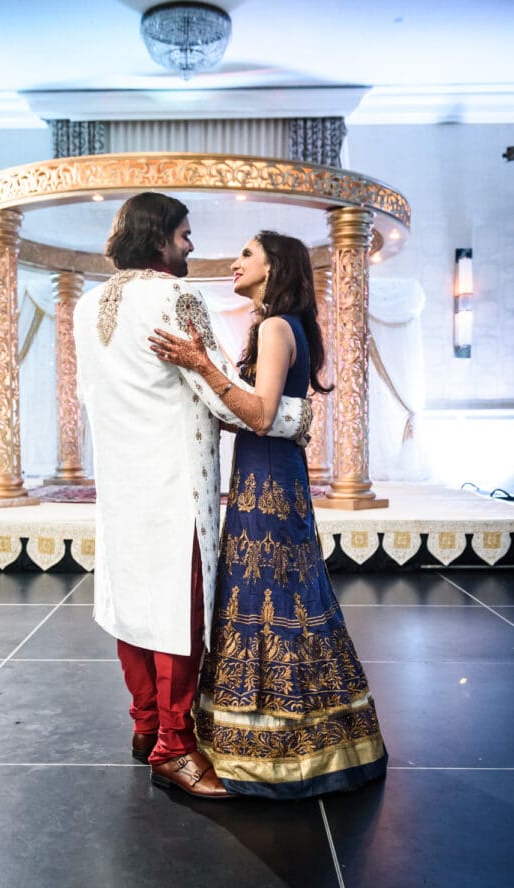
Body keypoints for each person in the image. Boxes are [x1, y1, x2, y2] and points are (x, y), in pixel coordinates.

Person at [73, 194, 313, 800]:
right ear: (159, 240)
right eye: (184, 235)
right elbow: (220, 391)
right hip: (177, 478)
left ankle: (145, 724)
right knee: (180, 610)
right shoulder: (178, 297)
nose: (191, 246)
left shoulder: (83, 307)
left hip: (122, 480)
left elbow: (87, 394)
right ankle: (174, 748)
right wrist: (292, 417)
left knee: (133, 601)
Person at [149, 230, 388, 799]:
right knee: (277, 598)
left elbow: (259, 415)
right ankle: (285, 739)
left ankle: (280, 752)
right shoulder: (278, 327)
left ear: (274, 266)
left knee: (273, 600)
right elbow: (266, 412)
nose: (235, 262)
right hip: (265, 478)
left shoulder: (277, 327)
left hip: (269, 486)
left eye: (247, 255)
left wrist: (203, 366)